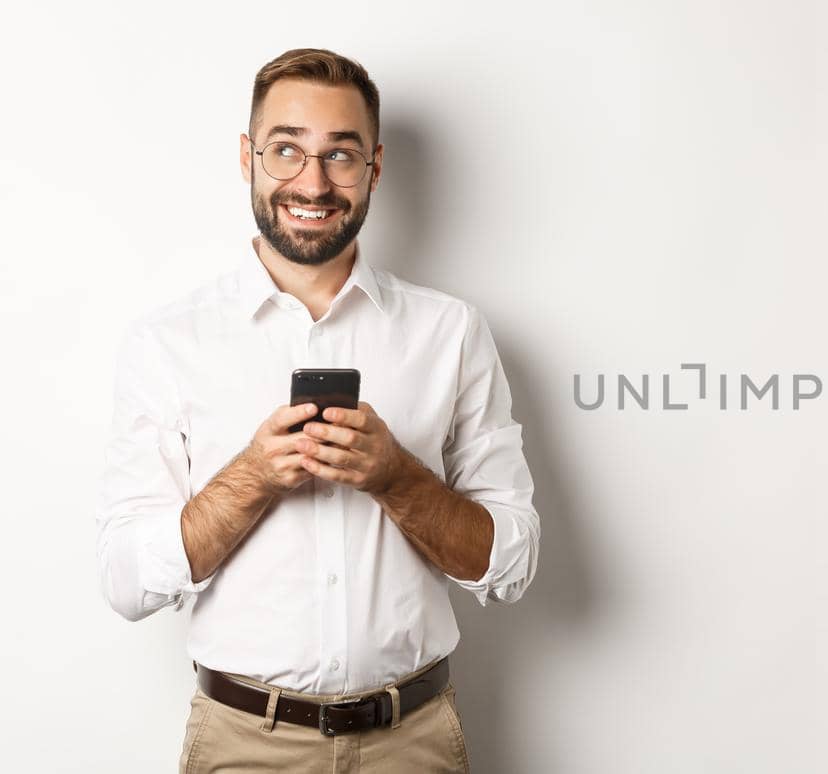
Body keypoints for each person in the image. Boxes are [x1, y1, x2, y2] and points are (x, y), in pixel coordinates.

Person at [93, 47, 540, 773]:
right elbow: (125, 582)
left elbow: (510, 564)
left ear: (375, 167)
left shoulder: (450, 333)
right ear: (248, 157)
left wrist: (395, 477)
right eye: (286, 150)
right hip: (243, 745)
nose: (313, 181)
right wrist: (254, 477)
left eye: (341, 154)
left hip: (414, 742)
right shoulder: (167, 344)